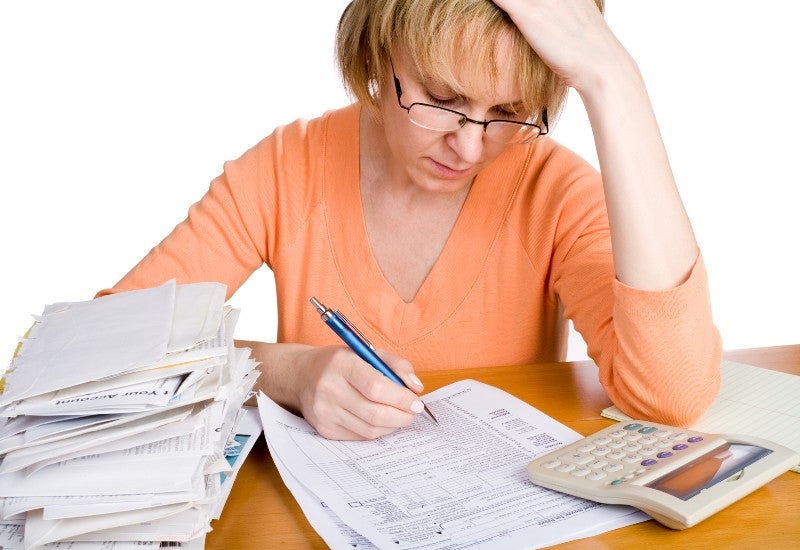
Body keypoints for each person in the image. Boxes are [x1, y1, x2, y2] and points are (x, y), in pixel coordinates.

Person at [99, 0, 721, 440]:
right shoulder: (289, 168)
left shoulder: (553, 191)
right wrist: (285, 372)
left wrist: (615, 79)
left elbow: (670, 396)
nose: (470, 148)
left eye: (508, 110)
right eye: (442, 99)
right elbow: (101, 348)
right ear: (376, 51)